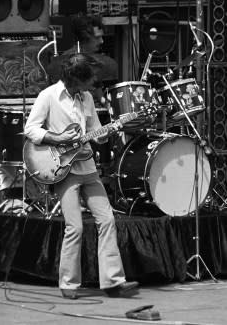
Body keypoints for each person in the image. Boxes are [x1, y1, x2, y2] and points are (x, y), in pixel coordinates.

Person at [24, 53, 138, 299]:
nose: (94, 84)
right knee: (74, 226)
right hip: (64, 171)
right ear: (76, 79)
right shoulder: (48, 97)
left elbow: (95, 132)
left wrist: (109, 131)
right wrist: (57, 138)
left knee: (107, 220)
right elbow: (30, 129)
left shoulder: (86, 98)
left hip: (87, 167)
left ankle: (113, 282)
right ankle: (68, 283)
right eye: (90, 80)